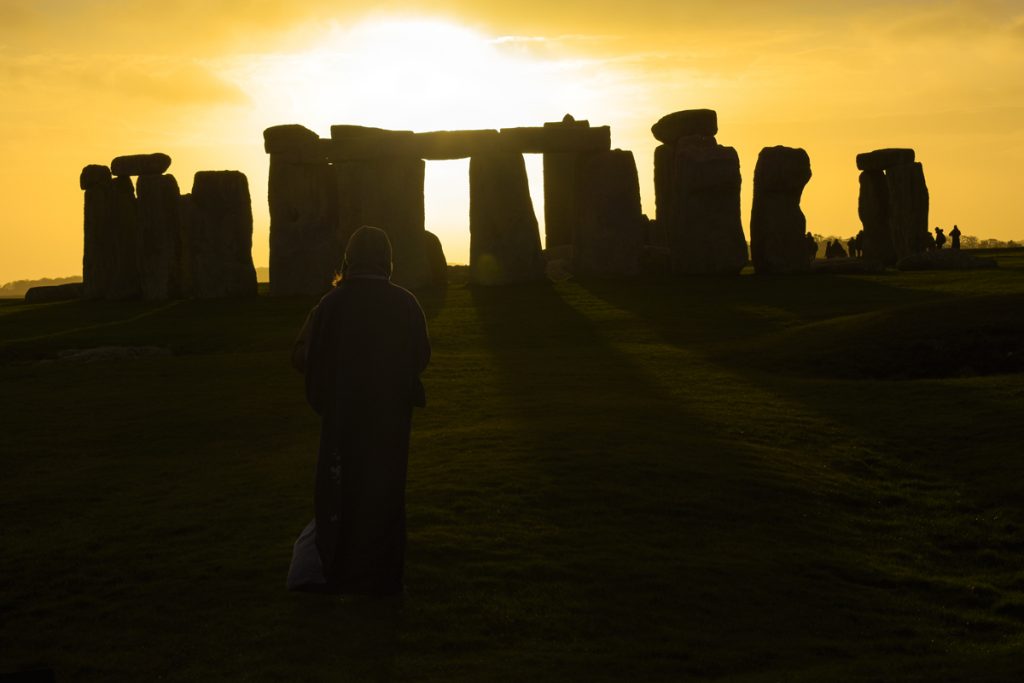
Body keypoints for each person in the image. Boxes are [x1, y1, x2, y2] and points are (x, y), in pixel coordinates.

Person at [287, 225, 431, 597]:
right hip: (390, 421)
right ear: (388, 259)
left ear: (349, 259)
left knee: (339, 490)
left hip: (343, 416)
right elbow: (420, 357)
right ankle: (383, 577)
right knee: (385, 493)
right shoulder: (406, 303)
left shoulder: (330, 305)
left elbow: (307, 359)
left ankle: (339, 570)